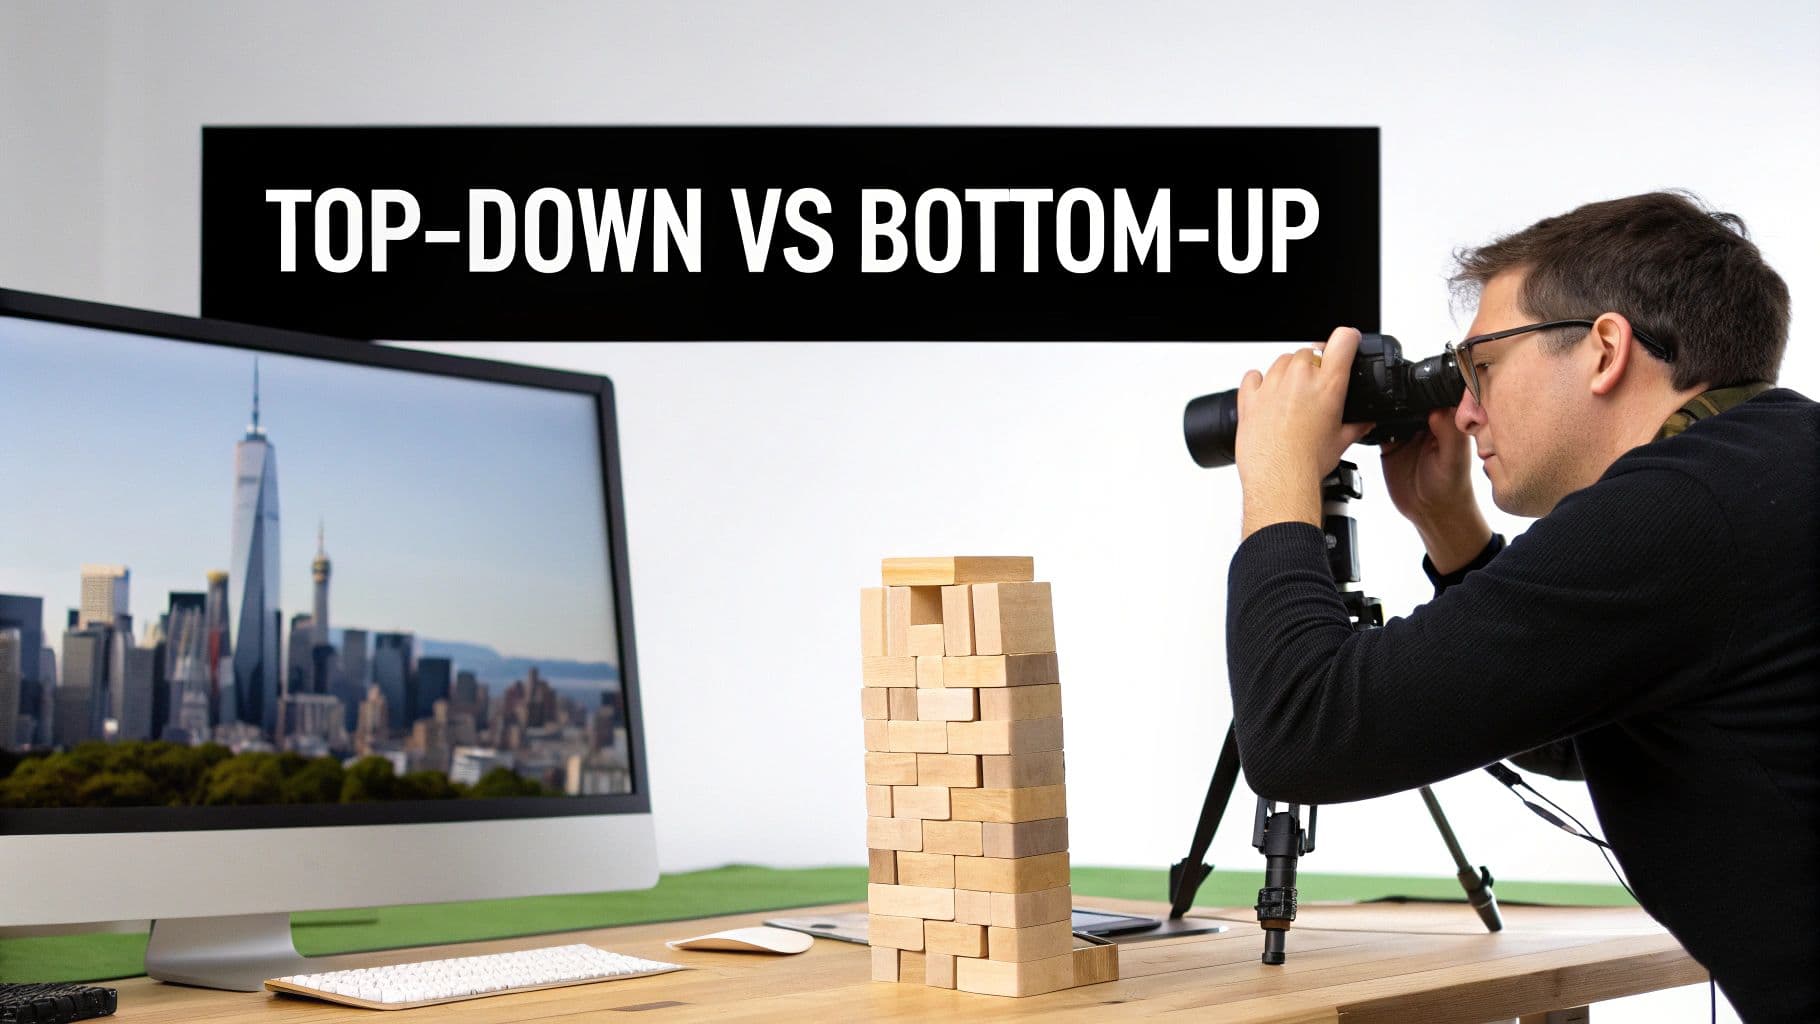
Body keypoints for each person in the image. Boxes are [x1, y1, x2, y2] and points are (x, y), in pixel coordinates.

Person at [1224, 191, 1818, 1023]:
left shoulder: (1675, 511)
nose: (1465, 413)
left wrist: (1281, 478)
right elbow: (1596, 733)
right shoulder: (1763, 466)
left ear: (1605, 348)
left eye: (1484, 367)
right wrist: (1452, 530)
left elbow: (1300, 733)